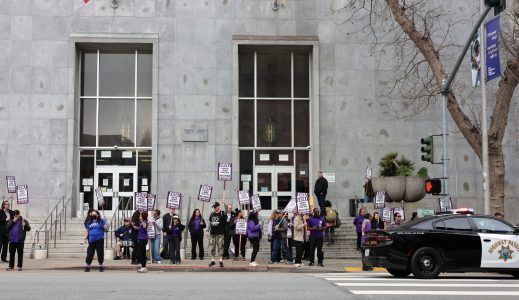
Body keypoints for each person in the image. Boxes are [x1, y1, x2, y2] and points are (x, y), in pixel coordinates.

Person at [208, 202, 227, 267]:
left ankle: (221, 260)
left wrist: (225, 205)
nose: (214, 208)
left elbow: (226, 212)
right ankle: (213, 260)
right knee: (212, 247)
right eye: (214, 207)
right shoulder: (212, 213)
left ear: (218, 206)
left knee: (220, 246)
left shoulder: (222, 213)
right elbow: (210, 222)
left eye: (215, 207)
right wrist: (208, 229)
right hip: (212, 233)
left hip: (220, 233)